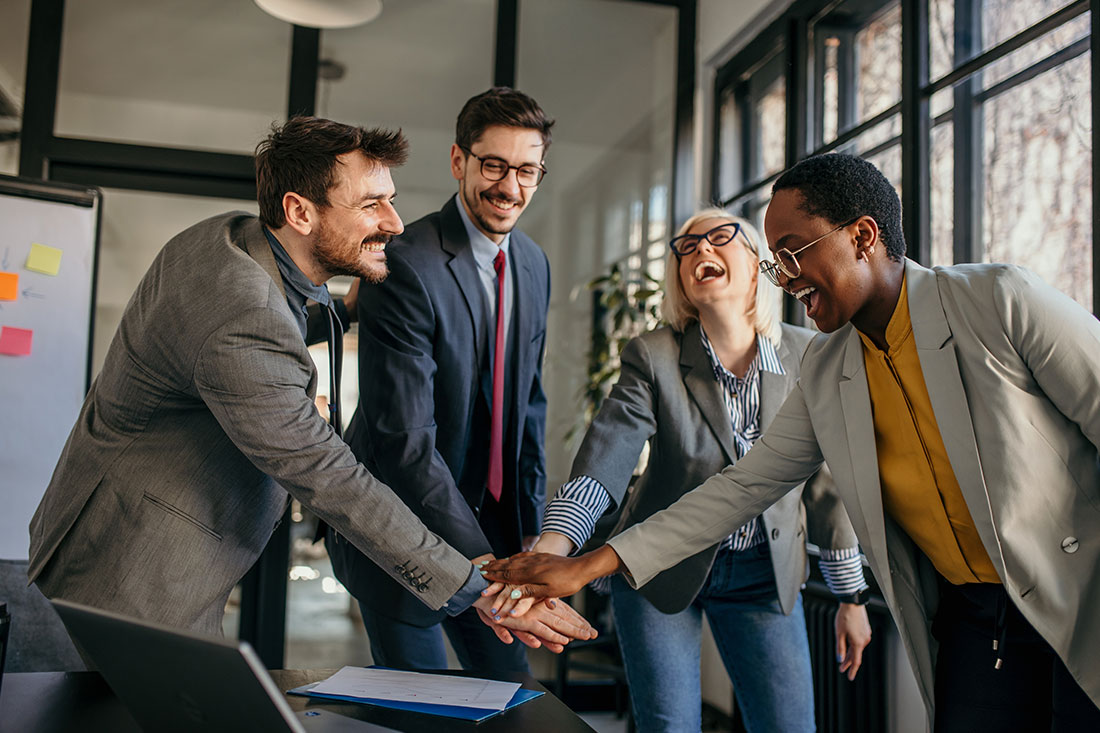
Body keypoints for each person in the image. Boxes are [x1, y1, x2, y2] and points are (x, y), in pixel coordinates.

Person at [485, 153, 1100, 731]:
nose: (785, 277)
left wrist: (849, 597)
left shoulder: (999, 300)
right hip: (972, 617)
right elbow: (741, 485)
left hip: (1076, 594)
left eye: (791, 252)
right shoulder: (826, 368)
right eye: (776, 259)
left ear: (862, 236)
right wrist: (583, 560)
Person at [27, 116, 593, 653]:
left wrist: (344, 314)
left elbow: (279, 315)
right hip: (126, 569)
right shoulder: (240, 311)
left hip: (144, 543)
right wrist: (472, 587)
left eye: (391, 200)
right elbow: (332, 476)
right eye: (372, 205)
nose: (395, 224)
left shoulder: (233, 237)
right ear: (299, 211)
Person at [489, 209, 871, 732]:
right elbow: (606, 459)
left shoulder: (809, 354)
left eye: (719, 238)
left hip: (765, 574)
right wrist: (553, 551)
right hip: (659, 572)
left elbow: (828, 484)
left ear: (758, 264)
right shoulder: (653, 355)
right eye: (687, 246)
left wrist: (851, 598)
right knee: (669, 726)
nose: (700, 251)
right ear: (680, 280)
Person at [326, 87, 554, 676]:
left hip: (497, 535)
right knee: (422, 709)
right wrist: (471, 560)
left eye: (527, 170)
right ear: (460, 162)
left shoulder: (533, 263)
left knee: (512, 697)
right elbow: (404, 438)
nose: (510, 186)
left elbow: (527, 406)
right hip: (403, 534)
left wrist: (529, 534)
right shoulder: (404, 261)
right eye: (494, 165)